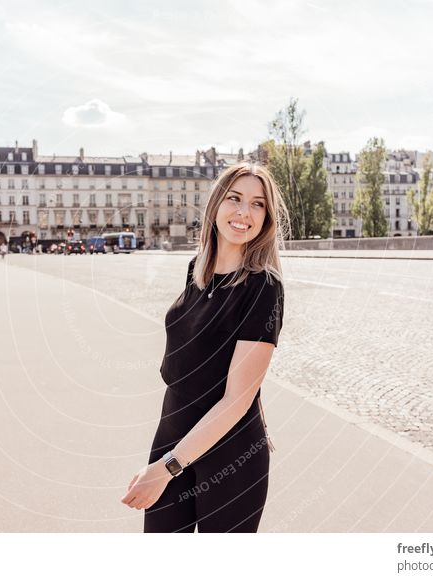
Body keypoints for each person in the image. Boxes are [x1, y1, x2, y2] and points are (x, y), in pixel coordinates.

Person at [121, 162, 287, 533]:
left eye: (258, 204)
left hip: (231, 452)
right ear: (215, 205)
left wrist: (165, 469)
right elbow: (210, 354)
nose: (244, 212)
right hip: (174, 434)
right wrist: (168, 460)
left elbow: (235, 399)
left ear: (267, 218)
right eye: (235, 198)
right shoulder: (198, 269)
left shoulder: (263, 287)